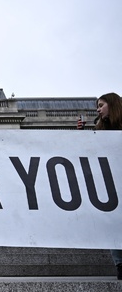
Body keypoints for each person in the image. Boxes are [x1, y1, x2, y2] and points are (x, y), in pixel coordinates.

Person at [79, 92, 122, 280]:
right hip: (112, 186)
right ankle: (120, 265)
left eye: (101, 105)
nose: (97, 109)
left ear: (113, 105)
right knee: (114, 224)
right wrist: (81, 136)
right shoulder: (100, 131)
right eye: (97, 106)